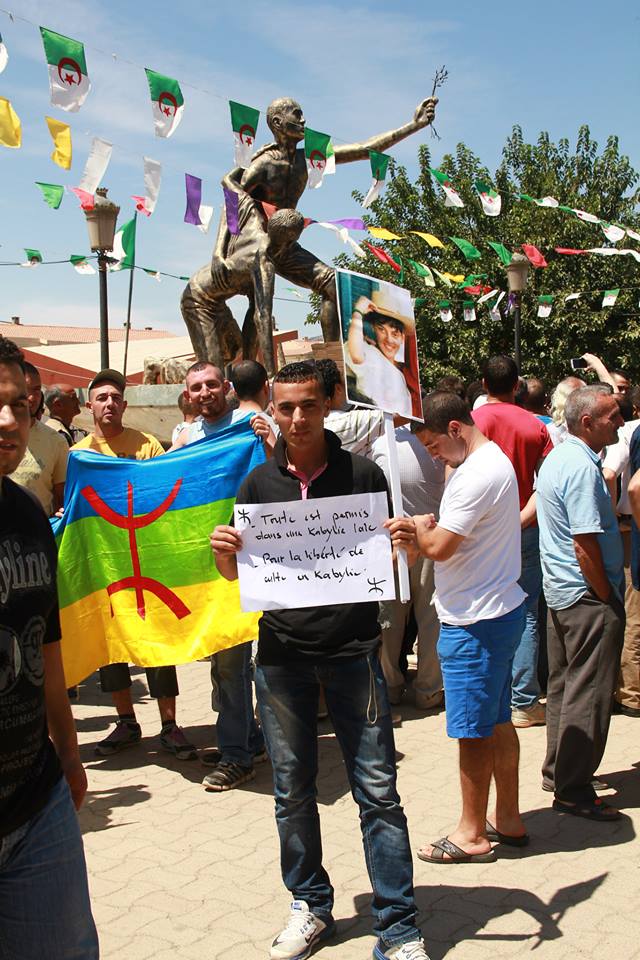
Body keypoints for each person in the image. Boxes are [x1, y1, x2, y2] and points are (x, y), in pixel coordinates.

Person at [210, 360, 429, 960]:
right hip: (280, 660)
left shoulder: (364, 474)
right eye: (286, 408)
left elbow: (383, 569)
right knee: (292, 791)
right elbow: (240, 575)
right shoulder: (257, 485)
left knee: (378, 792)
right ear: (271, 411)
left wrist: (400, 547)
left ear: (328, 404)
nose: (298, 418)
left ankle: (399, 926)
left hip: (354, 655)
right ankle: (310, 906)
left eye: (308, 405)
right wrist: (225, 553)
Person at [0, 336, 99, 958]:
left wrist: (67, 749)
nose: (9, 421)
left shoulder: (27, 512)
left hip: (36, 805)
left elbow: (48, 644)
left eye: (20, 405)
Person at [412, 391, 527, 863]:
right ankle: (510, 818)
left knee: (473, 731)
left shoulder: (476, 475)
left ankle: (472, 832)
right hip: (495, 610)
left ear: (455, 429)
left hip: (474, 620)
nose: (433, 456)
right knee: (497, 721)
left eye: (435, 446)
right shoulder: (486, 462)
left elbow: (438, 548)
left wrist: (417, 527)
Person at [72, 368, 196, 760]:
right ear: (89, 406)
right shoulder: (79, 455)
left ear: (124, 405)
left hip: (148, 560)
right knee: (112, 646)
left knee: (157, 642)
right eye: (102, 398)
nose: (109, 404)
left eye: (115, 398)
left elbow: (162, 493)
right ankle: (126, 721)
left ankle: (170, 725)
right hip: (106, 567)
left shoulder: (146, 445)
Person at [175, 361, 267, 791]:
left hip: (252, 562)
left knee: (234, 661)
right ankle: (247, 738)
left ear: (226, 387)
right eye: (197, 387)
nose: (206, 392)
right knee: (224, 658)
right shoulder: (185, 439)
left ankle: (236, 755)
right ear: (188, 394)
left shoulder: (252, 426)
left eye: (213, 384)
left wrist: (271, 441)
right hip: (208, 568)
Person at [536, 385, 624, 820]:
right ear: (588, 422)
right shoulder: (580, 467)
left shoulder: (560, 457)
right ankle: (572, 789)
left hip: (562, 592)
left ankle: (559, 772)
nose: (621, 421)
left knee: (564, 687)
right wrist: (605, 596)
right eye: (613, 416)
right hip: (584, 596)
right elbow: (584, 542)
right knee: (587, 692)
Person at [472, 356, 552, 728]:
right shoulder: (535, 425)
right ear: (516, 385)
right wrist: (523, 518)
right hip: (523, 528)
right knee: (527, 613)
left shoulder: (473, 424)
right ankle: (523, 700)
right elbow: (546, 483)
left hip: (480, 531)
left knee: (485, 606)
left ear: (484, 384)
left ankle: (495, 692)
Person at [372, 420, 445, 708]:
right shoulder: (383, 440)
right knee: (416, 619)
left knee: (399, 620)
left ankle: (397, 687)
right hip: (401, 540)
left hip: (417, 538)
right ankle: (425, 689)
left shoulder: (382, 441)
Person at [603, 402, 640, 717]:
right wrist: (614, 514)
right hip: (629, 531)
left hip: (630, 527)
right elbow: (612, 474)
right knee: (633, 613)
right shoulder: (628, 432)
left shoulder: (629, 431)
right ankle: (630, 693)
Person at [9, 361, 68, 516]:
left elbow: (61, 498)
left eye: (36, 390)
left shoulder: (56, 441)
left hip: (37, 535)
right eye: (25, 389)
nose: (32, 397)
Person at [346, 289, 414, 418]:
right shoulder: (369, 353)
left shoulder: (401, 374)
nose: (389, 339)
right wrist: (358, 312)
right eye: (381, 330)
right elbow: (356, 356)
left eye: (395, 333)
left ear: (402, 338)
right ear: (373, 328)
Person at [315, 357, 386, 458]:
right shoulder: (350, 423)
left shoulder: (313, 423)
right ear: (338, 388)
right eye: (345, 382)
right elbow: (397, 417)